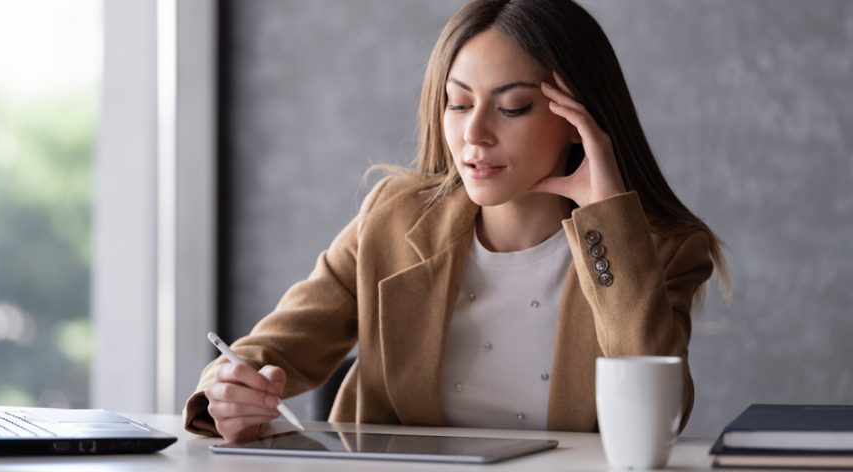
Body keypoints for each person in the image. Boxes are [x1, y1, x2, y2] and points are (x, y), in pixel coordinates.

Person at [184, 0, 729, 442]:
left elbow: (655, 419)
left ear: (577, 122)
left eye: (513, 107)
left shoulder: (661, 249)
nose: (475, 135)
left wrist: (609, 220)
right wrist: (229, 391)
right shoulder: (391, 219)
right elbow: (267, 350)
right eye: (458, 103)